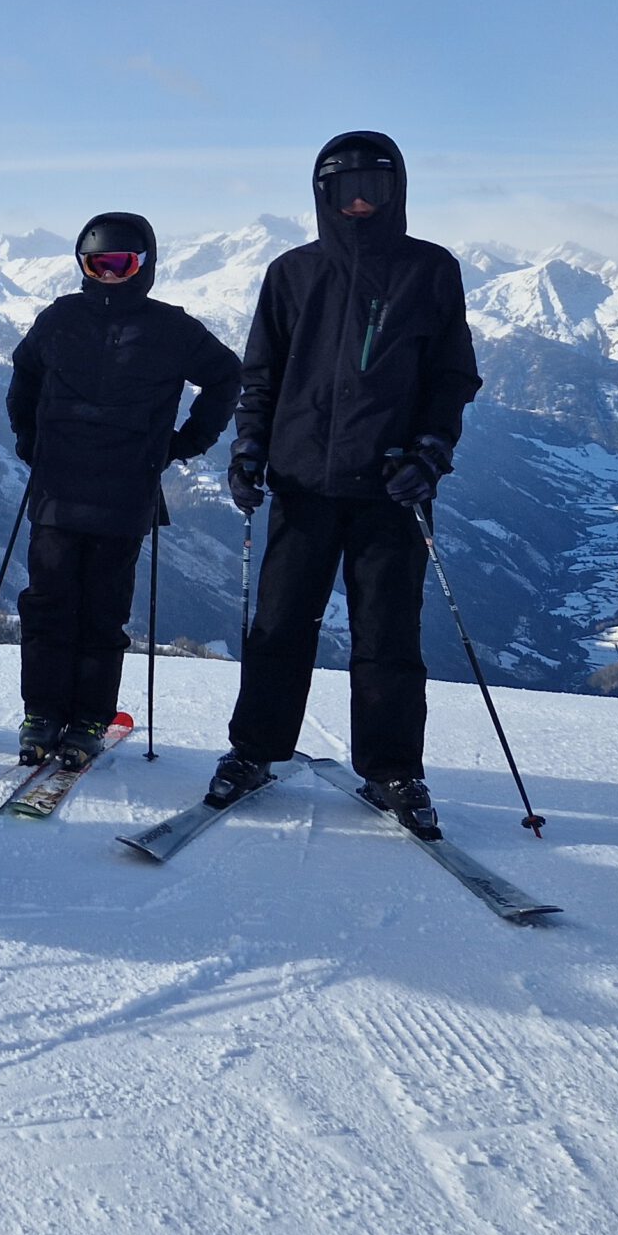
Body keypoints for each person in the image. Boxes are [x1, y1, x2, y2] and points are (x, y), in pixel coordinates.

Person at [207, 132, 482, 836]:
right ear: (322, 194)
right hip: (302, 482)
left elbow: (452, 375)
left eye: (374, 187)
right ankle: (254, 751)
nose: (359, 202)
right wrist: (248, 448)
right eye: (344, 189)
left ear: (397, 191)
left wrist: (430, 452)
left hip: (392, 487)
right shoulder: (292, 273)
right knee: (278, 627)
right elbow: (261, 375)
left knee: (388, 635)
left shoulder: (430, 270)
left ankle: (393, 770)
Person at [4, 212, 241, 768]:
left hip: (121, 494)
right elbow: (25, 373)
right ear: (82, 266)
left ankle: (88, 719)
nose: (109, 275)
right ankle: (42, 714)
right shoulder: (61, 317)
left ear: (144, 266)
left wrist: (187, 442)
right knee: (48, 605)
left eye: (121, 264)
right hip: (61, 490)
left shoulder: (170, 327)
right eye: (97, 265)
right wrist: (30, 438)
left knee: (101, 612)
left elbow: (227, 375)